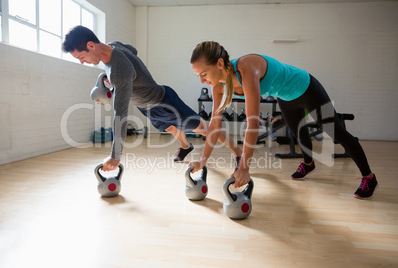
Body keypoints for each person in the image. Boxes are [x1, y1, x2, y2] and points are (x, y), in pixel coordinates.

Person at [188, 41, 378, 199]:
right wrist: (202, 161)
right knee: (298, 132)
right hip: (285, 96)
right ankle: (309, 164)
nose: (201, 81)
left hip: (306, 87)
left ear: (220, 64)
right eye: (197, 76)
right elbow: (214, 126)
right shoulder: (218, 86)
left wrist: (244, 168)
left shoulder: (246, 68)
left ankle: (369, 176)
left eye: (203, 74)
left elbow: (252, 124)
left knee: (337, 133)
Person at [61, 26, 242, 171]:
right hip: (146, 106)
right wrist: (121, 76)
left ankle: (238, 151)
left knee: (205, 129)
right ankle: (186, 147)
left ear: (91, 46)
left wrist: (115, 155)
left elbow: (120, 114)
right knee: (170, 127)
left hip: (165, 102)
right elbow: (133, 50)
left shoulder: (120, 69)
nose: (82, 62)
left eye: (81, 57)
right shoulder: (114, 45)